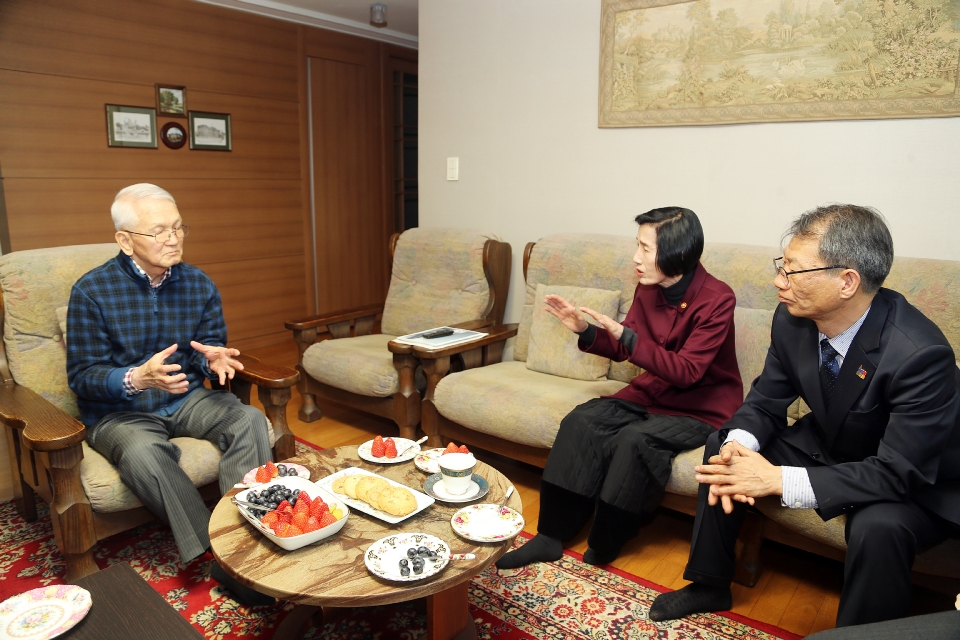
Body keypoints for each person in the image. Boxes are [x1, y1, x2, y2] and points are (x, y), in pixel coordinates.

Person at [650, 204, 960, 628]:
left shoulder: (920, 355)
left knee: (880, 527)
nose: (779, 281)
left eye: (793, 272)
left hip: (914, 480)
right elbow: (765, 401)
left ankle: (859, 636)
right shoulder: (793, 318)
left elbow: (897, 471)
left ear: (847, 281)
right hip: (835, 443)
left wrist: (777, 479)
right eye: (783, 265)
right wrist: (741, 446)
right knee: (726, 447)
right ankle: (710, 583)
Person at [496, 207, 743, 570]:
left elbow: (688, 372)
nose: (636, 258)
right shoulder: (649, 288)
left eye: (645, 248)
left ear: (675, 253)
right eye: (637, 246)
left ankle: (606, 540)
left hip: (700, 406)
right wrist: (585, 330)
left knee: (636, 441)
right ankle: (550, 535)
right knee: (581, 421)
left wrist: (625, 334)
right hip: (652, 392)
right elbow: (626, 344)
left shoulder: (718, 298)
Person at [67, 183, 274, 605]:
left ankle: (244, 535)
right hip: (120, 411)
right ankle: (224, 555)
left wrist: (212, 360)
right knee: (145, 454)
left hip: (184, 397)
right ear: (125, 240)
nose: (173, 238)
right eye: (158, 231)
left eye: (178, 227)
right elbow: (82, 376)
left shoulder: (198, 283)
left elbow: (207, 346)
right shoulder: (91, 291)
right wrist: (137, 378)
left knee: (248, 419)